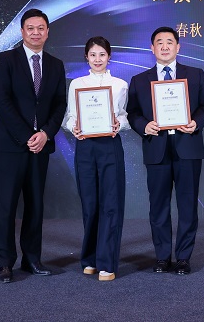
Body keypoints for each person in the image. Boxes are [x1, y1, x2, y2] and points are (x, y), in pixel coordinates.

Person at [126, 26, 204, 275]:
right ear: (152, 48)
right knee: (158, 206)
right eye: (159, 42)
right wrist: (144, 126)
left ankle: (184, 257)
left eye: (169, 42)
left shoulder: (195, 74)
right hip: (157, 149)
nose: (164, 46)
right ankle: (162, 257)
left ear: (178, 47)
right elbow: (132, 113)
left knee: (187, 205)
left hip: (188, 147)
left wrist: (196, 122)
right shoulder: (139, 80)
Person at [0, 8, 67, 283]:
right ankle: (4, 262)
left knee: (35, 205)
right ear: (22, 31)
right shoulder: (5, 59)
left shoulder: (56, 65)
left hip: (41, 145)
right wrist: (27, 136)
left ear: (48, 32)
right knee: (7, 205)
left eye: (41, 28)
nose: (36, 32)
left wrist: (45, 133)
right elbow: (2, 101)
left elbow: (60, 104)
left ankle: (32, 258)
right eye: (30, 28)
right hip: (11, 145)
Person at [62, 36, 129, 281]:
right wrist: (73, 128)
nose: (97, 59)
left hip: (110, 145)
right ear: (86, 57)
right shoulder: (76, 84)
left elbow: (124, 116)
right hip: (85, 146)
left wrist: (119, 124)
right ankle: (89, 258)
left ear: (109, 57)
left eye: (102, 54)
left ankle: (107, 263)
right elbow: (70, 116)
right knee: (90, 204)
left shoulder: (120, 85)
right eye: (93, 55)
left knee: (111, 203)